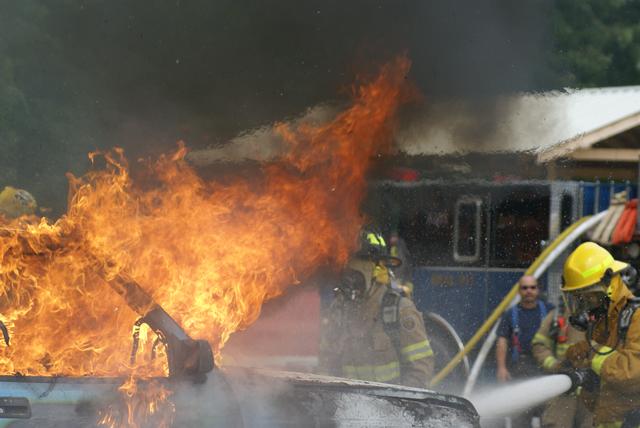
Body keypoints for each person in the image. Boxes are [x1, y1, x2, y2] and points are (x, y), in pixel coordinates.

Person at [318, 229, 434, 388]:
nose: (348, 280)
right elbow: (326, 364)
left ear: (377, 271)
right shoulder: (339, 310)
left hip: (389, 408)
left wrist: (398, 406)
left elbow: (420, 371)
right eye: (344, 273)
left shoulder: (399, 311)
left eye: (354, 274)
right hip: (348, 407)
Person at [562, 242, 640, 427]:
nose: (586, 305)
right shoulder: (604, 323)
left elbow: (632, 373)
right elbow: (601, 395)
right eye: (579, 298)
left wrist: (591, 355)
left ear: (608, 285)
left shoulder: (636, 318)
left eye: (588, 297)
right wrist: (584, 380)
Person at [496, 275, 553, 427]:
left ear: (538, 290)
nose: (529, 291)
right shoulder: (510, 314)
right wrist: (502, 367)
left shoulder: (550, 311)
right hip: (521, 369)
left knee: (549, 417)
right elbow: (502, 340)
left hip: (545, 369)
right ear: (519, 291)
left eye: (533, 287)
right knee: (520, 417)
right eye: (525, 288)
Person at [532, 305, 593, 428]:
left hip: (592, 389)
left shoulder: (605, 316)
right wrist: (555, 365)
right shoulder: (557, 316)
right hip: (563, 389)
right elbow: (539, 344)